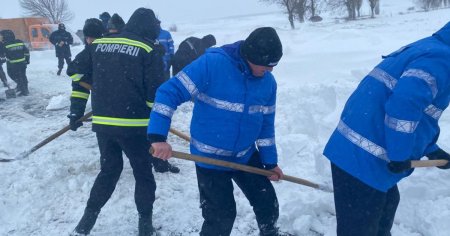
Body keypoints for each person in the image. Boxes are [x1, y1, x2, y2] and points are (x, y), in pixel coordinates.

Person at [148, 27, 287, 236]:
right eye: (267, 65)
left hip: (244, 155)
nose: (270, 71)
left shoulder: (268, 83)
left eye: (274, 66)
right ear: (251, 56)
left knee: (268, 204)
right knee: (221, 216)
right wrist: (158, 137)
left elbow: (266, 125)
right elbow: (169, 92)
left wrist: (270, 162)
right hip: (209, 159)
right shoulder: (213, 65)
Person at [323, 21, 450, 236]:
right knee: (360, 227)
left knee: (386, 208)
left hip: (363, 149)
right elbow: (403, 106)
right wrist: (400, 154)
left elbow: (424, 111)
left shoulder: (432, 48)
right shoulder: (442, 59)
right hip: (362, 157)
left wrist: (430, 148)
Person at [67, 8, 165, 236]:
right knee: (143, 173)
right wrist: (157, 126)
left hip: (103, 125)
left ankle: (85, 225)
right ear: (150, 29)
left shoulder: (99, 44)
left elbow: (73, 72)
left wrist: (96, 91)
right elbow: (155, 95)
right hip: (135, 127)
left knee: (109, 171)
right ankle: (145, 226)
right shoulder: (148, 49)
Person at [0, 29, 30, 96]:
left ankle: (24, 91)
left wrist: (2, 59)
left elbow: (2, 56)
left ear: (5, 36)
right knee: (23, 76)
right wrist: (27, 60)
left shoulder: (4, 44)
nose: (1, 37)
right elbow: (26, 51)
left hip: (13, 64)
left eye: (2, 36)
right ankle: (24, 89)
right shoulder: (19, 41)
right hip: (22, 63)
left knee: (14, 76)